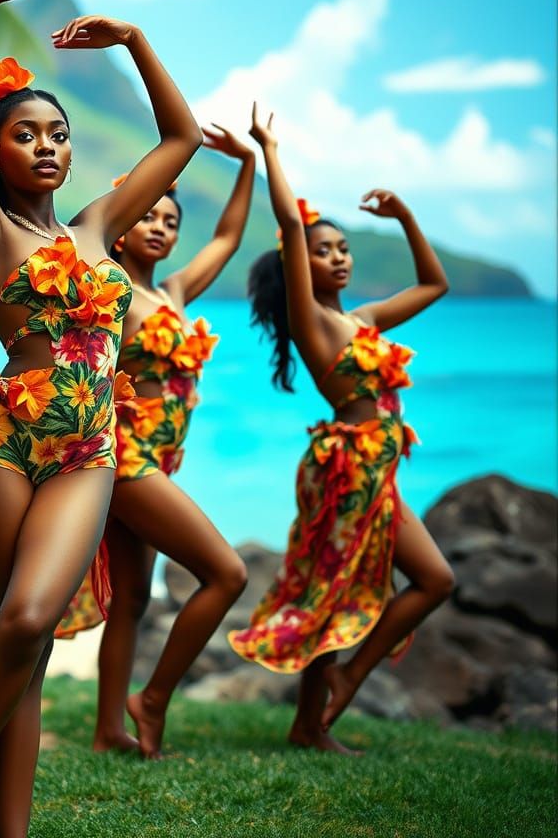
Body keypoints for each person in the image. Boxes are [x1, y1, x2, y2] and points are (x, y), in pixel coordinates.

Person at [0, 0, 201, 838]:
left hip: (87, 452)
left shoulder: (98, 229)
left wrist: (137, 41)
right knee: (19, 638)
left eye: (58, 135)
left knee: (30, 624)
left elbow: (179, 141)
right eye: (27, 134)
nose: (48, 146)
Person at [227, 103, 454, 752]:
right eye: (324, 251)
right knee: (347, 586)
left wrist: (407, 219)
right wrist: (269, 148)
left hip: (376, 472)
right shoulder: (315, 323)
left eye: (344, 247)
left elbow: (434, 284)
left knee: (414, 582)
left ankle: (317, 713)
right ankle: (335, 692)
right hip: (349, 470)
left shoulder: (366, 320)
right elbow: (289, 231)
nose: (338, 258)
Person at [55, 123, 256, 759]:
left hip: (154, 464)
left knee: (134, 599)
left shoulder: (168, 294)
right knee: (226, 573)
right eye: (148, 212)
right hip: (128, 463)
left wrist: (249, 162)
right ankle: (154, 697)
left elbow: (226, 238)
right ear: (122, 222)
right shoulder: (111, 289)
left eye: (171, 220)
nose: (162, 226)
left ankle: (107, 728)